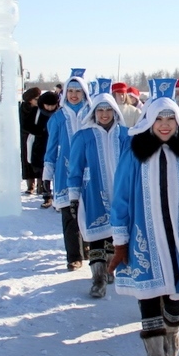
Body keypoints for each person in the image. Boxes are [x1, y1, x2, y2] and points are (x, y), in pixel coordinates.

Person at [108, 78, 179, 356]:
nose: (165, 125)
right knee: (148, 299)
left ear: (178, 120)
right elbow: (121, 198)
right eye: (158, 119)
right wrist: (120, 243)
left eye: (170, 119)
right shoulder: (135, 154)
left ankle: (174, 326)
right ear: (148, 121)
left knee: (175, 303)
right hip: (145, 241)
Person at [68, 81, 130, 299]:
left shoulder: (126, 135)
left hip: (122, 193)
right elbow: (74, 168)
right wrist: (74, 196)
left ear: (115, 111)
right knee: (96, 235)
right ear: (94, 112)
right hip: (94, 192)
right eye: (100, 110)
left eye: (108, 110)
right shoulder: (84, 136)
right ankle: (98, 279)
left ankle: (111, 268)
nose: (104, 114)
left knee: (116, 234)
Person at [43, 70, 92, 270]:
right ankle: (74, 256)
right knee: (69, 215)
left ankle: (88, 246)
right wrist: (48, 171)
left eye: (78, 91)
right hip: (65, 172)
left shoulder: (92, 113)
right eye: (70, 91)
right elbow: (52, 146)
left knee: (89, 211)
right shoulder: (58, 118)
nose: (74, 95)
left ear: (84, 93)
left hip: (89, 172)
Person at [29, 91, 60, 208]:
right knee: (43, 171)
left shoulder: (59, 113)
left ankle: (57, 196)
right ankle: (46, 195)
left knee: (57, 172)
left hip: (55, 145)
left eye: (52, 105)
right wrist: (40, 131)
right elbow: (27, 125)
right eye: (48, 105)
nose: (50, 107)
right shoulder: (36, 112)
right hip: (41, 145)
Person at [19, 87, 42, 194]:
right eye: (36, 99)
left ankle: (40, 185)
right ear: (30, 99)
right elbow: (24, 125)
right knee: (27, 161)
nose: (38, 101)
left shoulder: (40, 109)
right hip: (26, 138)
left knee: (39, 161)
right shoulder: (24, 109)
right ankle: (30, 185)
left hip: (38, 139)